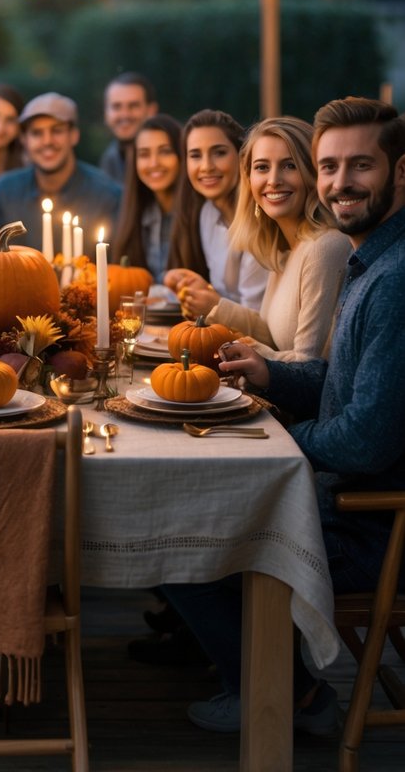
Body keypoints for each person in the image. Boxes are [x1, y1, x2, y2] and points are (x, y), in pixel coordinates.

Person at [164, 96, 405, 735]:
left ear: (401, 173)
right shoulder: (368, 259)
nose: (339, 183)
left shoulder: (392, 278)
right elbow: (339, 384)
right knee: (185, 517)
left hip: (372, 526)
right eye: (330, 167)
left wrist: (275, 439)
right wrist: (273, 375)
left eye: (362, 166)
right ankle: (262, 680)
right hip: (347, 499)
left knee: (179, 540)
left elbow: (362, 441)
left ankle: (290, 695)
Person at [201, 115, 350, 360]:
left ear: (313, 174)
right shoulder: (284, 249)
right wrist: (217, 308)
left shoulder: (324, 247)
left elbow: (306, 364)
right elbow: (273, 338)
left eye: (289, 165)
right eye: (262, 167)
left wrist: (250, 353)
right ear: (248, 180)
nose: (273, 181)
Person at [0, 92, 122, 251]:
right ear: (24, 140)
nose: (47, 141)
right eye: (36, 133)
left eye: (57, 131)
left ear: (74, 135)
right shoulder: (3, 192)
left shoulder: (108, 195)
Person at [165, 109, 268, 312]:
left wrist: (214, 304)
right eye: (195, 155)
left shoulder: (260, 221)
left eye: (219, 153)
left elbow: (257, 316)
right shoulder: (207, 213)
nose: (206, 167)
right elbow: (225, 295)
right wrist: (198, 288)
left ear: (242, 156)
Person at [113, 114, 182, 280]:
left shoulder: (200, 215)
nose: (153, 163)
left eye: (165, 152)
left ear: (182, 155)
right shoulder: (138, 214)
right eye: (144, 154)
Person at [99, 72, 159, 184]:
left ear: (151, 110)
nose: (125, 115)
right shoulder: (110, 160)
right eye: (116, 107)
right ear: (106, 113)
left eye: (133, 106)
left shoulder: (177, 153)